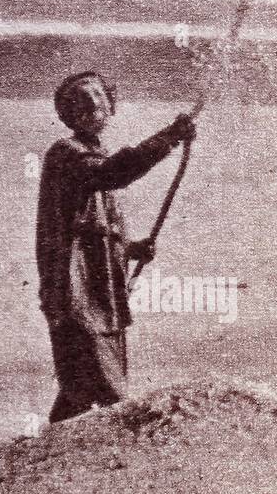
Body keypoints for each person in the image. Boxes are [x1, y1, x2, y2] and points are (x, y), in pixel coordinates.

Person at [36, 70, 195, 422]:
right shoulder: (67, 154)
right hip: (77, 299)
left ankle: (50, 461)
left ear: (111, 105)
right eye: (81, 100)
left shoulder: (91, 157)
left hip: (100, 298)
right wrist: (168, 138)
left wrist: (130, 248)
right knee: (111, 394)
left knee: (78, 392)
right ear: (67, 114)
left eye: (98, 98)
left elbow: (91, 233)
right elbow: (113, 173)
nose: (92, 106)